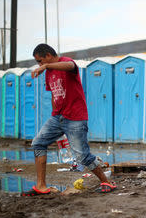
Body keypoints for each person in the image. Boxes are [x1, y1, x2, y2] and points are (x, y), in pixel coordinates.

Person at [22, 43, 116, 196]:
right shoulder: (49, 72)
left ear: (48, 55)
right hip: (58, 117)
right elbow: (53, 94)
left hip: (75, 118)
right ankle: (41, 186)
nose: (39, 64)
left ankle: (107, 182)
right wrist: (54, 113)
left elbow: (70, 65)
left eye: (40, 60)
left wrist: (45, 66)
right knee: (38, 143)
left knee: (82, 156)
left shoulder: (66, 63)